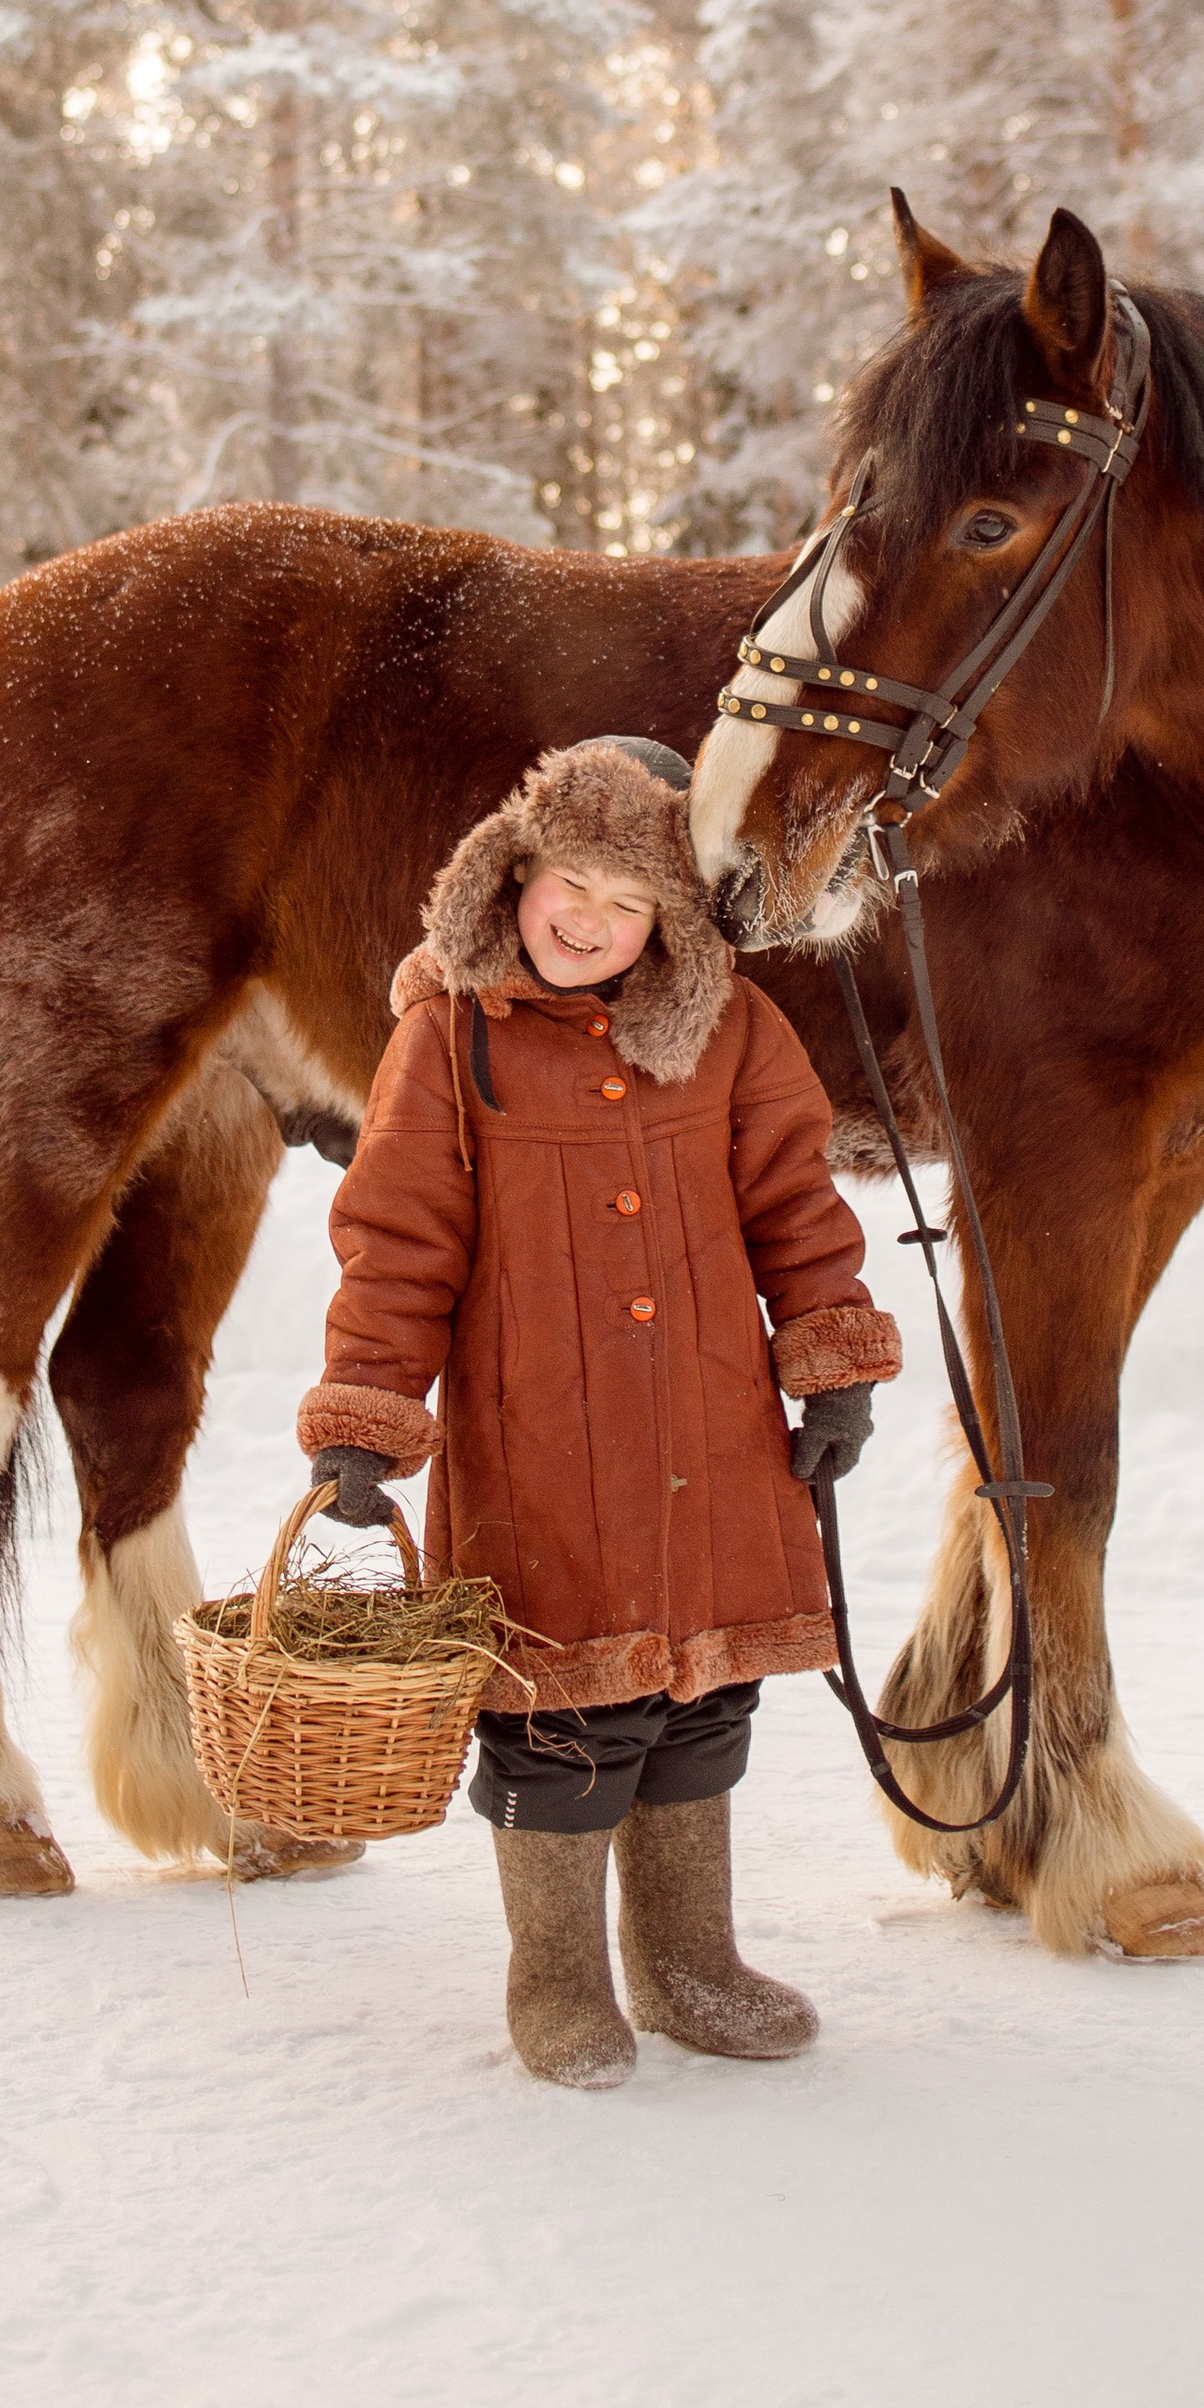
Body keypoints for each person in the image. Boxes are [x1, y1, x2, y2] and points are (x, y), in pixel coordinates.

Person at [296, 735, 901, 2091]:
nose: (587, 918)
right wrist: (368, 1414)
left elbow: (798, 1205)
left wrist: (834, 1364)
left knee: (703, 1695)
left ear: (671, 919)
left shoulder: (736, 1030)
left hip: (711, 1433)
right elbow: (395, 1237)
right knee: (567, 1715)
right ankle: (557, 1975)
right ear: (512, 873)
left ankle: (691, 1962)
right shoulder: (451, 1034)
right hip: (542, 1447)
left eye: (626, 900)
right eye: (568, 880)